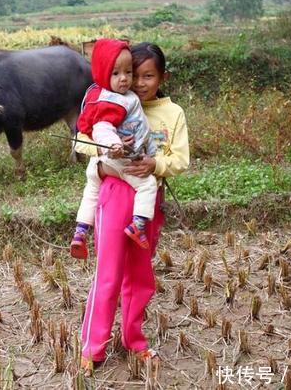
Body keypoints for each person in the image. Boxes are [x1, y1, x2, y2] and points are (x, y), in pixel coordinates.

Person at [75, 42, 190, 375]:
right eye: (130, 74)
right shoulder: (110, 101)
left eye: (147, 76)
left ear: (161, 77)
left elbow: (180, 160)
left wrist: (155, 162)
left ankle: (134, 341)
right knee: (108, 273)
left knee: (140, 275)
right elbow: (82, 140)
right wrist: (107, 148)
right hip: (113, 193)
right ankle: (93, 347)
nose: (137, 82)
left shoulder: (173, 113)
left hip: (147, 201)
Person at [71, 39, 158, 260]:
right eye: (116, 73)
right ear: (102, 72)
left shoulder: (97, 94)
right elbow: (102, 127)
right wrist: (113, 146)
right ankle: (138, 225)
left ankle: (80, 231)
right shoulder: (115, 101)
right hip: (118, 159)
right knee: (147, 185)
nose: (125, 79)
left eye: (128, 72)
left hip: (98, 164)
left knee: (90, 192)